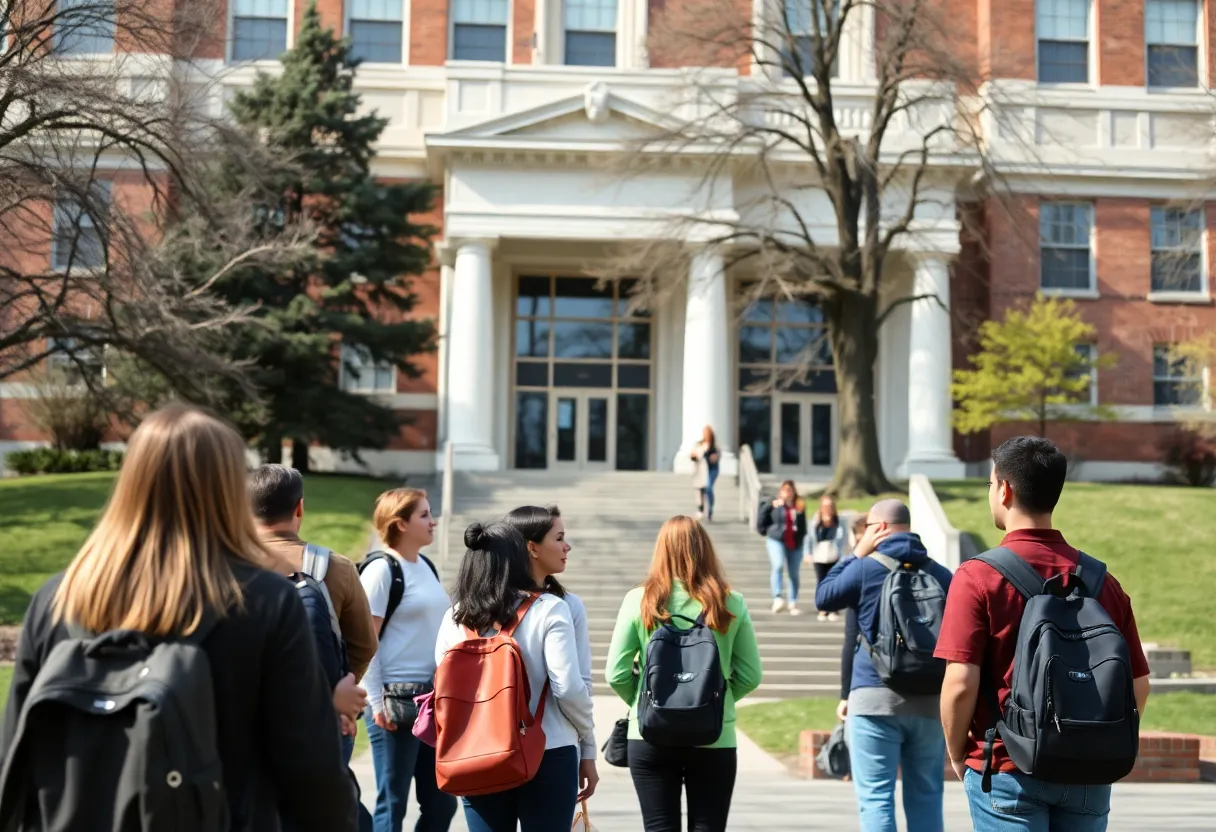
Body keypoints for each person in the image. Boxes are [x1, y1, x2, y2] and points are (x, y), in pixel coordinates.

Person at [0, 404, 356, 831]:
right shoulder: (265, 601)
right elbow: (311, 772)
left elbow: (13, 754)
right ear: (229, 489)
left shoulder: (58, 598)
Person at [935, 437, 1152, 832]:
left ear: (1004, 489)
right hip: (1088, 774)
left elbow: (961, 682)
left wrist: (957, 753)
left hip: (1007, 766)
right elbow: (1139, 683)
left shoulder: (977, 577)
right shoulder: (1103, 582)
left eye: (990, 484)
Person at [605, 516, 763, 832]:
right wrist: (715, 701)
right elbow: (750, 674)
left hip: (650, 733)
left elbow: (616, 673)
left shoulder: (639, 600)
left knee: (658, 826)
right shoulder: (730, 602)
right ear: (705, 549)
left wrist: (645, 702)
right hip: (713, 736)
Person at [435, 522, 595, 832]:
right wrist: (586, 732)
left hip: (475, 752)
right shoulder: (550, 608)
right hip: (548, 749)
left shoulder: (454, 616)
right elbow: (568, 688)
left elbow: (443, 687)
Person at [814, 499, 953, 832]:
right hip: (929, 703)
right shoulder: (941, 574)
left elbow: (824, 596)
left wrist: (856, 553)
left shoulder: (865, 568)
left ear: (878, 528)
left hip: (873, 698)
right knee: (927, 797)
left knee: (876, 798)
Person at [249, 464, 376, 760]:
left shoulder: (223, 565)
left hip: (246, 722)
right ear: (299, 508)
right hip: (322, 720)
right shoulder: (336, 567)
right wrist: (337, 690)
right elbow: (364, 644)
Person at [360, 489, 456, 832]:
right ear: (400, 524)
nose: (433, 522)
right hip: (393, 702)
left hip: (431, 701)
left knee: (442, 803)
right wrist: (376, 702)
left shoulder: (425, 566)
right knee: (393, 802)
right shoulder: (381, 571)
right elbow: (365, 642)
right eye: (424, 515)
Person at [502, 505, 599, 803]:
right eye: (559, 538)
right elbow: (573, 686)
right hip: (551, 748)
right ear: (532, 547)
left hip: (483, 746)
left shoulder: (471, 605)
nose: (567, 546)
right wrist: (588, 747)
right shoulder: (563, 605)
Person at [756, 480, 807, 615]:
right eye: (785, 490)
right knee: (777, 565)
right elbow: (762, 516)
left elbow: (803, 526)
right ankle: (777, 597)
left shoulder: (799, 506)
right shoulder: (774, 504)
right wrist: (770, 505)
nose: (788, 493)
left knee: (794, 573)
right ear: (781, 491)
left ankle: (792, 601)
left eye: (790, 490)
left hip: (794, 542)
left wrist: (802, 540)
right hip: (776, 539)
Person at [808, 495, 848, 621]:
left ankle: (833, 608)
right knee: (821, 581)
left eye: (830, 506)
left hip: (834, 554)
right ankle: (822, 607)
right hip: (819, 555)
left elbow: (843, 540)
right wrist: (807, 553)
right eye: (825, 506)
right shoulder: (815, 521)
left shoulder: (839, 522)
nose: (828, 509)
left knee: (834, 582)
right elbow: (809, 538)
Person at [690, 425, 721, 521]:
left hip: (712, 470)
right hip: (701, 470)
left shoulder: (714, 446)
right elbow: (694, 455)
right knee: (701, 489)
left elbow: (718, 455)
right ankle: (701, 509)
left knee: (709, 488)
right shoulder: (699, 445)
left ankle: (710, 509)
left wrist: (715, 457)